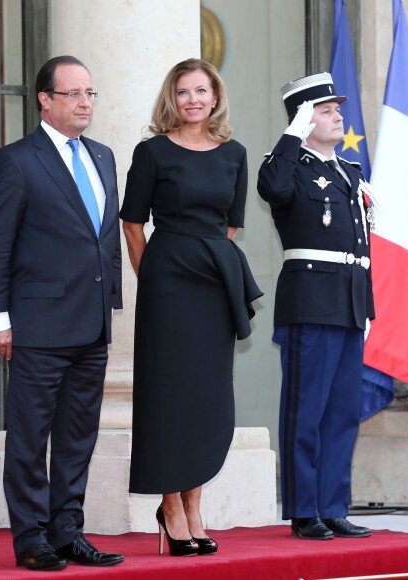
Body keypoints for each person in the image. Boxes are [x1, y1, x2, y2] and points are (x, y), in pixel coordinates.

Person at [0, 55, 124, 571]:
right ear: (45, 99)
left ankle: (67, 533)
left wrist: (111, 303)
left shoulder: (103, 156)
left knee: (78, 438)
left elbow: (104, 239)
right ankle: (31, 538)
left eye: (90, 93)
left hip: (91, 324)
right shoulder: (16, 161)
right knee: (30, 437)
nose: (85, 103)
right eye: (74, 94)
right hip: (38, 327)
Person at [120, 58, 262, 557]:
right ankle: (172, 508)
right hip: (167, 287)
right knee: (169, 397)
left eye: (202, 90)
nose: (193, 100)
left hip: (212, 286)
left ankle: (194, 504)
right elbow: (133, 225)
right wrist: (154, 277)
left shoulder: (236, 154)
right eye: (184, 92)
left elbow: (229, 227)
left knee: (206, 399)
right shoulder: (152, 152)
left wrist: (206, 267)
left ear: (215, 96)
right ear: (171, 99)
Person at [257, 72, 375, 541]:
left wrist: (365, 306)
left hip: (347, 303)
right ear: (304, 118)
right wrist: (291, 135)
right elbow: (273, 190)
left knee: (342, 411)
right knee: (306, 410)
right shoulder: (288, 165)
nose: (337, 116)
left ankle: (333, 505)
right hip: (310, 302)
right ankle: (306, 510)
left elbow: (361, 245)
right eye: (326, 110)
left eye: (336, 109)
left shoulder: (349, 172)